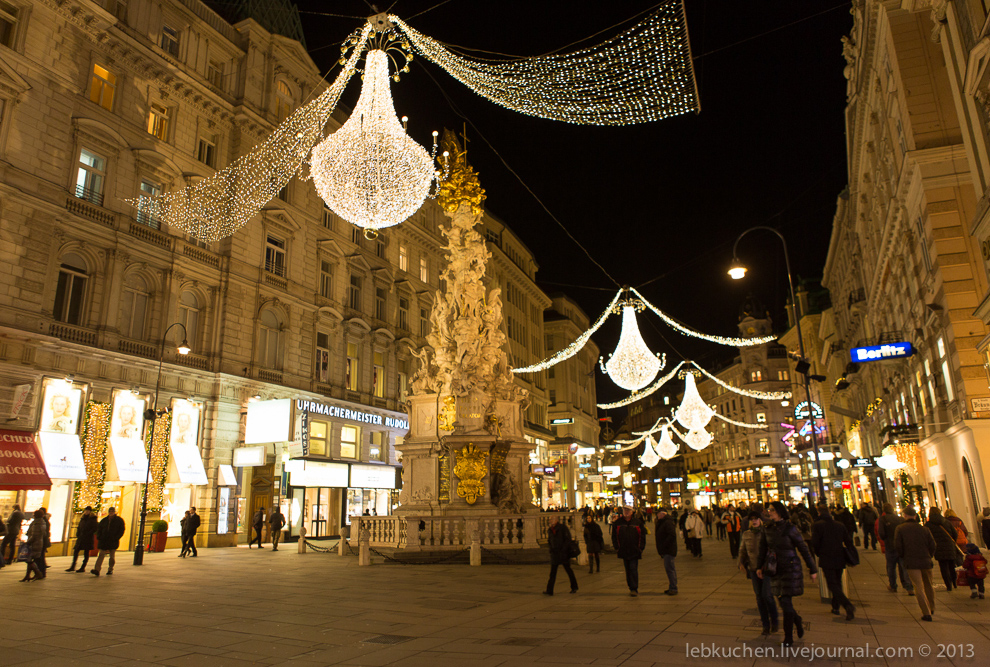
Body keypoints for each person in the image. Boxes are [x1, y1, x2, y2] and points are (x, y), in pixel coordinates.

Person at [757, 501, 818, 647]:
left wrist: (812, 569)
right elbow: (762, 548)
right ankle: (797, 620)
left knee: (785, 601)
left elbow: (803, 549)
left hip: (790, 569)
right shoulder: (767, 528)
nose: (769, 512)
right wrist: (759, 567)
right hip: (775, 569)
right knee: (783, 602)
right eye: (768, 510)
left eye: (772, 510)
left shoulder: (791, 529)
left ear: (779, 512)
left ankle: (788, 637)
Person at [811, 504, 857, 620]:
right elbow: (848, 541)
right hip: (839, 556)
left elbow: (815, 543)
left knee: (832, 584)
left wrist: (818, 553)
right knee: (837, 582)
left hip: (826, 557)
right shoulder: (839, 525)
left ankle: (847, 605)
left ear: (819, 513)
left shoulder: (817, 526)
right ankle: (835, 606)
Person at [895, 506, 937, 621]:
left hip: (911, 561)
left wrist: (903, 556)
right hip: (925, 560)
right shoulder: (924, 529)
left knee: (918, 586)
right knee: (928, 584)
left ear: (905, 516)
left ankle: (926, 612)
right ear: (915, 516)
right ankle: (932, 607)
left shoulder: (900, 528)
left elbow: (898, 546)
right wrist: (929, 555)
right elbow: (933, 545)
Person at [739, 510, 777, 635]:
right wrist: (740, 563)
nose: (754, 521)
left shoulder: (766, 532)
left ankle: (774, 620)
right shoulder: (746, 534)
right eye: (752, 519)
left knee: (767, 595)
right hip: (753, 569)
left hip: (766, 569)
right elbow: (742, 550)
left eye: (756, 519)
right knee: (759, 598)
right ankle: (765, 624)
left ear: (760, 520)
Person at [877, 503, 913, 595]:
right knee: (903, 566)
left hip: (890, 546)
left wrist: (885, 539)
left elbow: (881, 533)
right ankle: (908, 586)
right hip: (901, 546)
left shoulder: (883, 519)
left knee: (891, 567)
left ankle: (893, 586)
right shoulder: (900, 519)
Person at [612, 506, 646, 596]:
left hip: (634, 550)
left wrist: (641, 547)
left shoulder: (637, 522)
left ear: (632, 512)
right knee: (627, 569)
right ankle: (631, 586)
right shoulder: (618, 523)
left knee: (633, 568)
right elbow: (614, 536)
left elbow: (642, 536)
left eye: (628, 510)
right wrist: (617, 547)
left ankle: (634, 588)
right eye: (625, 510)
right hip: (623, 550)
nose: (626, 512)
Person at [926, 507, 960, 591]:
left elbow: (927, 537)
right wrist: (952, 542)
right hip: (949, 546)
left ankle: (948, 585)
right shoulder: (946, 522)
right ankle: (954, 582)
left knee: (943, 566)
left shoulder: (928, 525)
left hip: (938, 547)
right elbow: (955, 534)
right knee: (952, 565)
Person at [543, 515, 578, 595]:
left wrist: (563, 549)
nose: (549, 520)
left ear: (556, 520)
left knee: (568, 570)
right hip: (555, 554)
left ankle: (574, 587)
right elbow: (550, 540)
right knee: (552, 573)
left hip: (563, 554)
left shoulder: (562, 528)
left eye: (551, 519)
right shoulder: (550, 530)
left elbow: (567, 539)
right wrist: (551, 549)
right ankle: (549, 590)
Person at [91, 507, 125, 577]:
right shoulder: (104, 520)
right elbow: (99, 529)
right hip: (104, 540)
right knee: (101, 555)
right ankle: (97, 569)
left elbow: (121, 530)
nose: (111, 512)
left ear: (115, 512)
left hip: (113, 541)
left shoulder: (119, 520)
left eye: (112, 511)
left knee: (112, 556)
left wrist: (116, 537)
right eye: (110, 511)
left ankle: (110, 569)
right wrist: (99, 536)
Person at [67, 506, 98, 572]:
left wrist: (88, 533)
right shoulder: (83, 518)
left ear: (90, 511)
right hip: (81, 537)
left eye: (88, 511)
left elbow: (95, 528)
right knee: (76, 551)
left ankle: (83, 567)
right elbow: (79, 526)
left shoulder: (93, 519)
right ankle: (73, 566)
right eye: (86, 510)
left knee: (86, 552)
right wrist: (78, 533)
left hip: (88, 538)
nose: (86, 512)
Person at [654, 507, 678, 595]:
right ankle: (672, 586)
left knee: (670, 569)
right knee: (669, 569)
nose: (657, 515)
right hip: (666, 549)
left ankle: (674, 587)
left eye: (658, 514)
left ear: (663, 514)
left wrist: (664, 545)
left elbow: (671, 535)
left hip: (669, 549)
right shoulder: (663, 522)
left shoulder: (667, 522)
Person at [20, 509, 47, 582]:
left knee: (29, 560)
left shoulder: (37, 523)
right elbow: (43, 534)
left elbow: (34, 535)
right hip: (39, 543)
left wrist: (27, 542)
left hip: (34, 544)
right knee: (31, 559)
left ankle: (38, 573)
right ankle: (28, 575)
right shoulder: (42, 522)